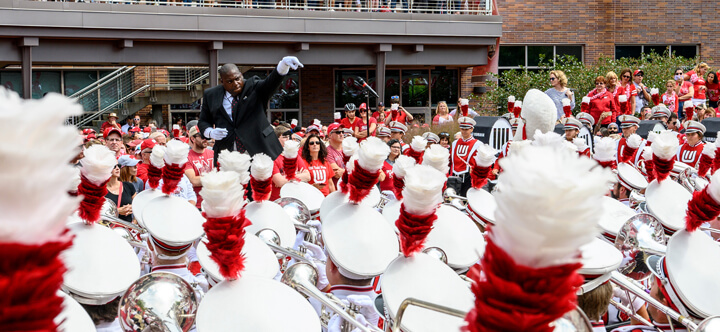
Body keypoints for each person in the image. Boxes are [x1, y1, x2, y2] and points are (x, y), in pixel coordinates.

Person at [198, 57, 303, 164]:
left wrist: (283, 66)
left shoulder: (253, 86)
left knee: (258, 180)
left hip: (257, 148)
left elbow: (270, 83)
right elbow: (203, 121)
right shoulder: (211, 95)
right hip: (227, 152)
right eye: (230, 81)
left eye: (237, 78)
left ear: (241, 75)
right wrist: (210, 132)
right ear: (222, 81)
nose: (235, 83)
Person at [270, 126, 311, 201]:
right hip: (278, 200)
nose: (288, 139)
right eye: (285, 137)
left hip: (295, 198)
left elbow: (308, 176)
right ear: (276, 139)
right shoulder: (272, 158)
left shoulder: (295, 155)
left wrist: (287, 177)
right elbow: (280, 182)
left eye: (289, 137)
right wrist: (298, 176)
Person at [448, 117, 480, 197]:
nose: (464, 131)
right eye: (462, 129)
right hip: (454, 176)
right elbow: (450, 160)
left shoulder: (478, 144)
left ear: (471, 129)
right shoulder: (455, 143)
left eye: (466, 129)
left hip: (468, 177)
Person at [184, 125, 215, 209]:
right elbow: (193, 180)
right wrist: (216, 177)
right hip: (197, 204)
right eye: (202, 137)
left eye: (207, 137)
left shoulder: (213, 153)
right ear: (192, 139)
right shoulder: (186, 157)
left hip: (214, 202)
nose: (205, 139)